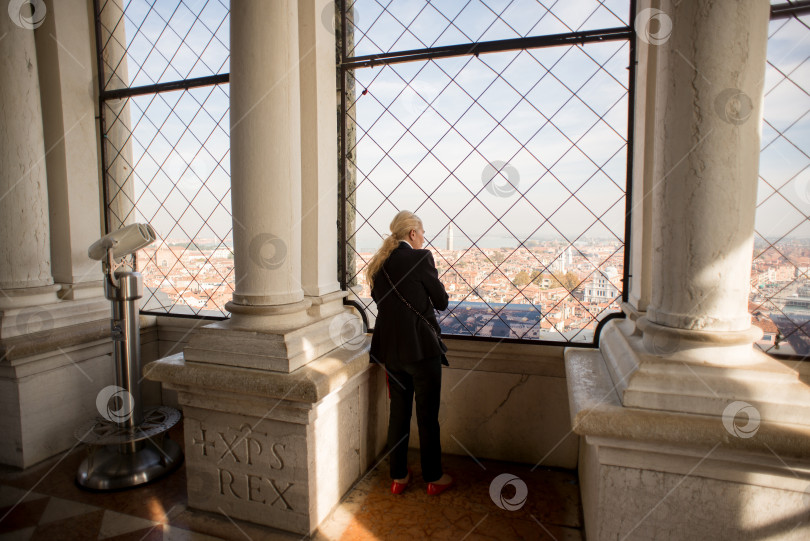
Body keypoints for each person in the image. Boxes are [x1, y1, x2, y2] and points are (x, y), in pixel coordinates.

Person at [366, 210, 454, 496]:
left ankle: (398, 477)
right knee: (427, 416)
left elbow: (381, 301)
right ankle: (433, 477)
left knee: (398, 416)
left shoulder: (380, 264)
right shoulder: (420, 258)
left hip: (392, 353)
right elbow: (441, 302)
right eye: (423, 232)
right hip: (422, 352)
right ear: (413, 233)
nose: (423, 238)